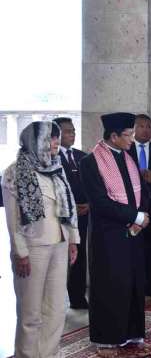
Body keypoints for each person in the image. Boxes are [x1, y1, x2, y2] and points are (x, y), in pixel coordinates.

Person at [2, 121, 80, 358]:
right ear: (35, 142)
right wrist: (20, 252)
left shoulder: (56, 167)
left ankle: (49, 354)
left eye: (56, 138)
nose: (56, 142)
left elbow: (68, 207)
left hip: (59, 244)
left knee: (56, 309)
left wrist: (73, 240)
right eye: (51, 138)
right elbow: (13, 220)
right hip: (32, 248)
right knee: (30, 313)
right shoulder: (15, 172)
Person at [80, 112, 150, 354]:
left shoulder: (129, 157)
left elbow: (142, 192)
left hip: (133, 234)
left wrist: (142, 217)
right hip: (108, 237)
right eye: (129, 135)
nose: (133, 139)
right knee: (110, 286)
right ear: (113, 136)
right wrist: (135, 217)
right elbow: (100, 203)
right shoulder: (91, 162)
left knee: (132, 284)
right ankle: (107, 338)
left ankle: (131, 333)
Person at [53, 117, 90, 309]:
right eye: (67, 131)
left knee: (80, 256)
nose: (72, 134)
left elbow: (93, 184)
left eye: (73, 130)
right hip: (60, 218)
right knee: (61, 258)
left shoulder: (82, 156)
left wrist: (89, 204)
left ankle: (78, 297)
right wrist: (72, 206)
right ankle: (58, 299)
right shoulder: (51, 158)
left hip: (83, 216)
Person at [128, 114, 151, 298]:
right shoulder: (126, 150)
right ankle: (134, 287)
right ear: (133, 129)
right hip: (133, 209)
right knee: (134, 249)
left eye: (149, 126)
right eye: (141, 126)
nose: (145, 130)